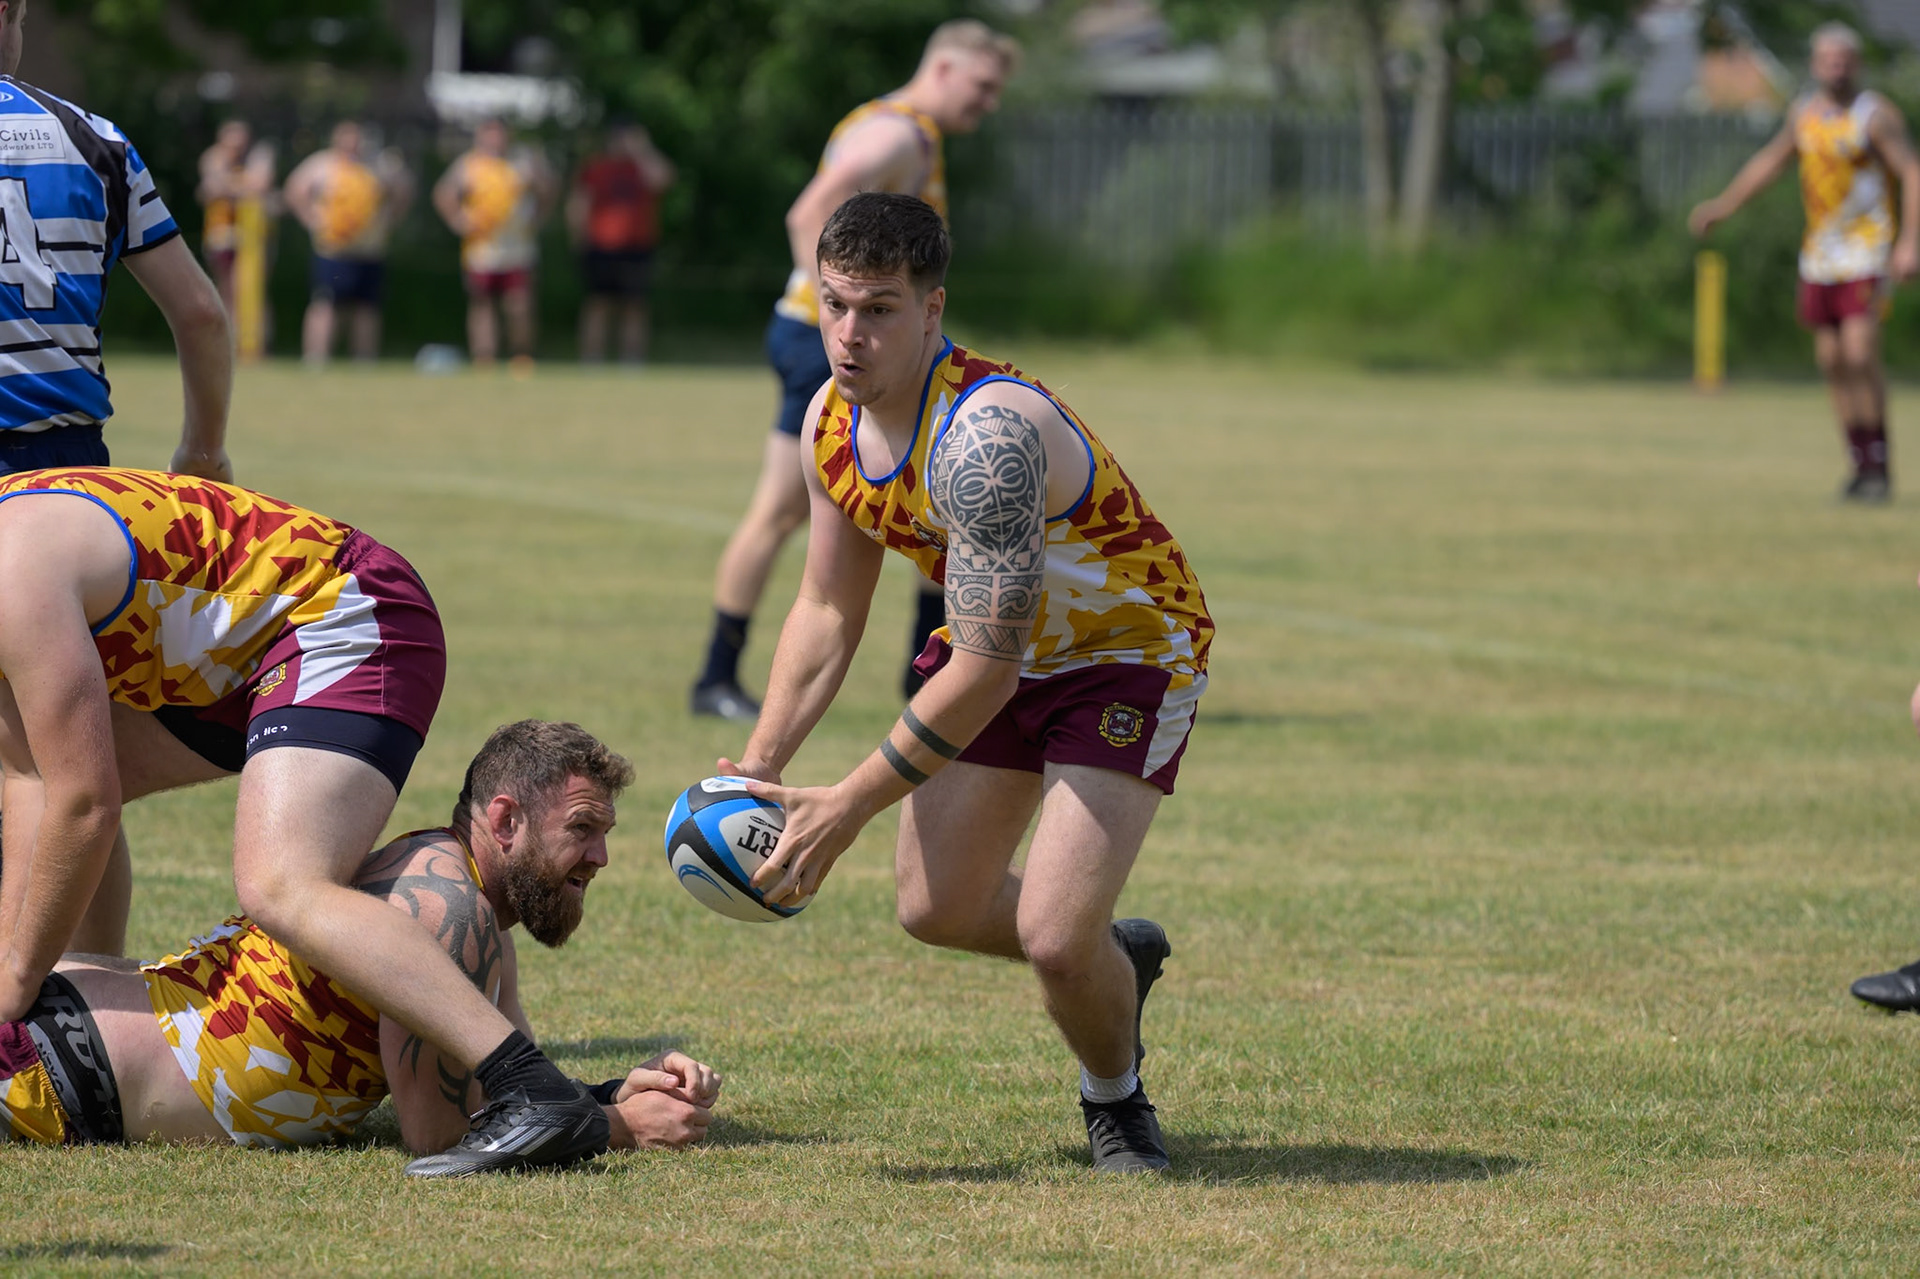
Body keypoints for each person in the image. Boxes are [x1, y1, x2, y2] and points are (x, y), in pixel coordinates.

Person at [722, 194, 1211, 1174]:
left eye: (881, 309)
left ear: (934, 309)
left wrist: (848, 804)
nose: (850, 335)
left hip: (1124, 653)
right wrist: (764, 765)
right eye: (835, 304)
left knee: (1053, 940)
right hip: (998, 644)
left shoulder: (986, 441)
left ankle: (1112, 1093)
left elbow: (985, 672)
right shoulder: (830, 421)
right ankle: (1111, 953)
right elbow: (826, 608)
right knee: (935, 911)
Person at [0, 468, 609, 1176]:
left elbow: (85, 803)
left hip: (347, 612)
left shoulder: (12, 570)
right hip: (242, 659)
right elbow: (32, 785)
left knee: (279, 881)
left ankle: (525, 1082)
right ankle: (73, 1009)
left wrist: (15, 979)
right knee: (55, 789)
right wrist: (24, 974)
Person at [0, 719, 721, 1162]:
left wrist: (615, 1090)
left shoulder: (471, 905)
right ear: (506, 820)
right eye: (583, 829)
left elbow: (498, 1088)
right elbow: (438, 1132)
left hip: (78, 1029)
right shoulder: (448, 911)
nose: (600, 858)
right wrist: (620, 1128)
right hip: (55, 1059)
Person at [691, 20, 1020, 722]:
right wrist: (839, 315)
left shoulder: (893, 125)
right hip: (832, 342)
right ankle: (722, 676)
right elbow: (809, 209)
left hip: (821, 334)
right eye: (983, 86)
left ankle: (922, 676)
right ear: (943, 69)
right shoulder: (898, 135)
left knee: (935, 498)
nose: (987, 103)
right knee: (808, 509)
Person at [1689, 22, 1920, 503]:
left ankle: (1879, 463)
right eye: (1827, 59)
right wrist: (1723, 206)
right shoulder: (1805, 115)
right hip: (1820, 254)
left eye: (1844, 59)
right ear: (1815, 65)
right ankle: (1857, 465)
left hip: (1867, 249)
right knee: (1832, 360)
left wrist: (1909, 243)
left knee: (1860, 352)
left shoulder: (1874, 116)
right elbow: (1771, 162)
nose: (1835, 67)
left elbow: (1913, 173)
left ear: (1856, 64)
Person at [0, 9, 231, 482]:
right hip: (62, 466)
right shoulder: (95, 140)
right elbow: (201, 313)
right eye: (22, 21)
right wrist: (203, 452)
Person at [283, 120, 411, 365]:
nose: (353, 143)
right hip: (333, 249)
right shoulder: (322, 164)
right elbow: (294, 190)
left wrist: (390, 220)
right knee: (325, 303)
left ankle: (364, 361)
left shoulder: (378, 165)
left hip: (369, 249)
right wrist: (311, 219)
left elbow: (404, 189)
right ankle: (316, 359)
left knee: (367, 307)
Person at [434, 118, 554, 371]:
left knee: (518, 304)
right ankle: (484, 358)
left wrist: (539, 216)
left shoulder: (522, 162)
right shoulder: (469, 164)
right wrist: (459, 221)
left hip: (517, 248)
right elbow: (443, 194)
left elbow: (548, 191)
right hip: (482, 248)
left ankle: (521, 355)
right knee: (482, 303)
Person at [569, 122, 675, 364]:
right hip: (600, 246)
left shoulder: (642, 167)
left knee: (635, 305)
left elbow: (664, 179)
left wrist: (643, 149)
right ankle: (591, 359)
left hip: (637, 246)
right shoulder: (595, 167)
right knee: (597, 304)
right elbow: (579, 203)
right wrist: (578, 238)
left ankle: (632, 360)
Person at [196, 118, 275, 321]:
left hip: (253, 232)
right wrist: (242, 187)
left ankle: (255, 343)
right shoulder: (212, 157)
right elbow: (211, 188)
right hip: (221, 232)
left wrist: (227, 186)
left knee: (253, 289)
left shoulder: (258, 156)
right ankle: (230, 336)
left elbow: (260, 185)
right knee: (227, 288)